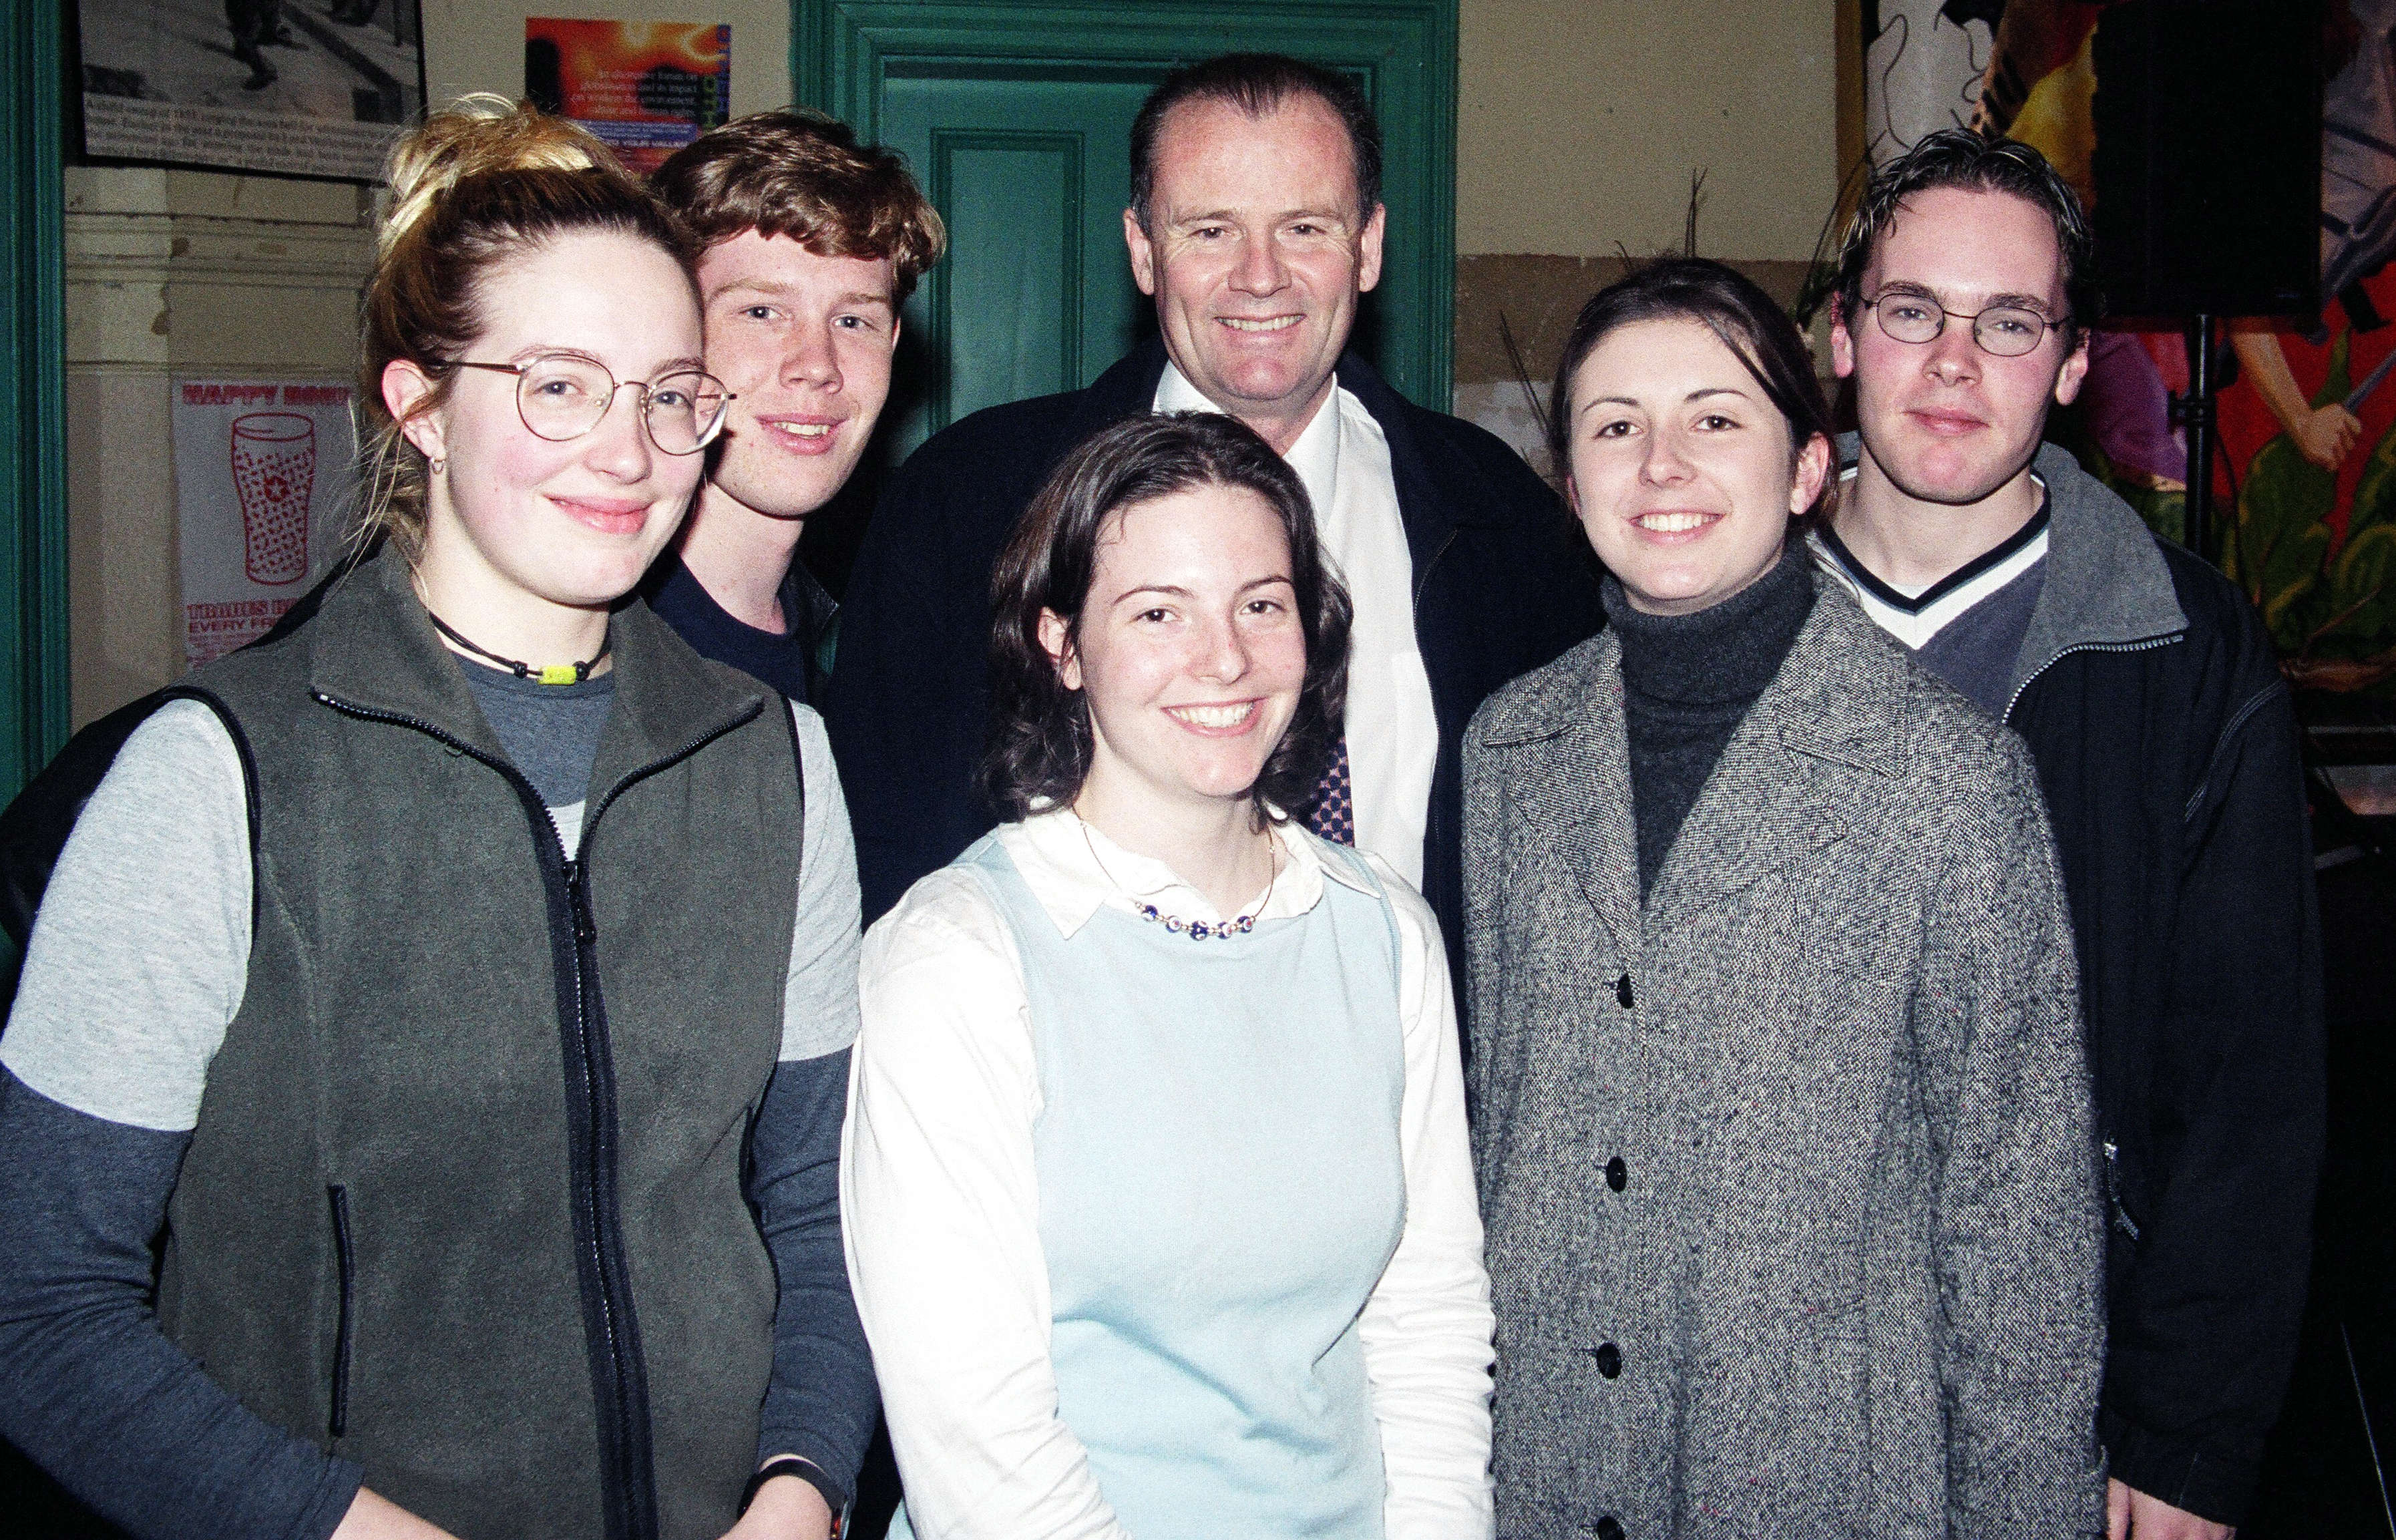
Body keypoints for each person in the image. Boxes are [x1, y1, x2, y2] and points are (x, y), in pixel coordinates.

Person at [0, 100, 871, 1540]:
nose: (630, 450)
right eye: (558, 388)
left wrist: (801, 1486)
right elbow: (38, 1310)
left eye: (668, 393)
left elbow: (816, 1210)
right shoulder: (217, 778)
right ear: (419, 400)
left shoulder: (779, 765)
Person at [1463, 258, 2106, 1538]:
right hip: (1543, 1470)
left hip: (1820, 1477)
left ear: (1808, 468)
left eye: (1714, 418)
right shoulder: (1509, 751)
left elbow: (2018, 1233)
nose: (1660, 465)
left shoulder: (1946, 780)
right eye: (1613, 427)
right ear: (1568, 475)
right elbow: (1495, 1133)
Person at [842, 412, 1494, 1539]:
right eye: (1157, 613)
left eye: (1260, 603)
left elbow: (1426, 1324)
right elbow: (976, 1437)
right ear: (1061, 643)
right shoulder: (959, 955)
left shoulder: (1383, 931)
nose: (1225, 658)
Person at [1816, 130, 2325, 1540]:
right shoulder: (1719, 621)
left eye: (2011, 321)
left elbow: (2248, 1081)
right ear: (1847, 334)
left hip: (2062, 1392)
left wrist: (2191, 1437)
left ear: (2077, 362)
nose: (1956, 361)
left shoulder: (2183, 646)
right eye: (1913, 310)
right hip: (1758, 1382)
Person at [825, 53, 1600, 965]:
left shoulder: (1500, 514)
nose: (1259, 276)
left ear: (1371, 244)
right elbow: (880, 871)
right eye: (1210, 231)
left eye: (1306, 226)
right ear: (1144, 250)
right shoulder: (968, 504)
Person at [644, 110, 945, 706]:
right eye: (762, 313)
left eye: (852, 320)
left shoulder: (852, 648)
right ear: (673, 330)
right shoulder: (606, 648)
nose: (818, 364)